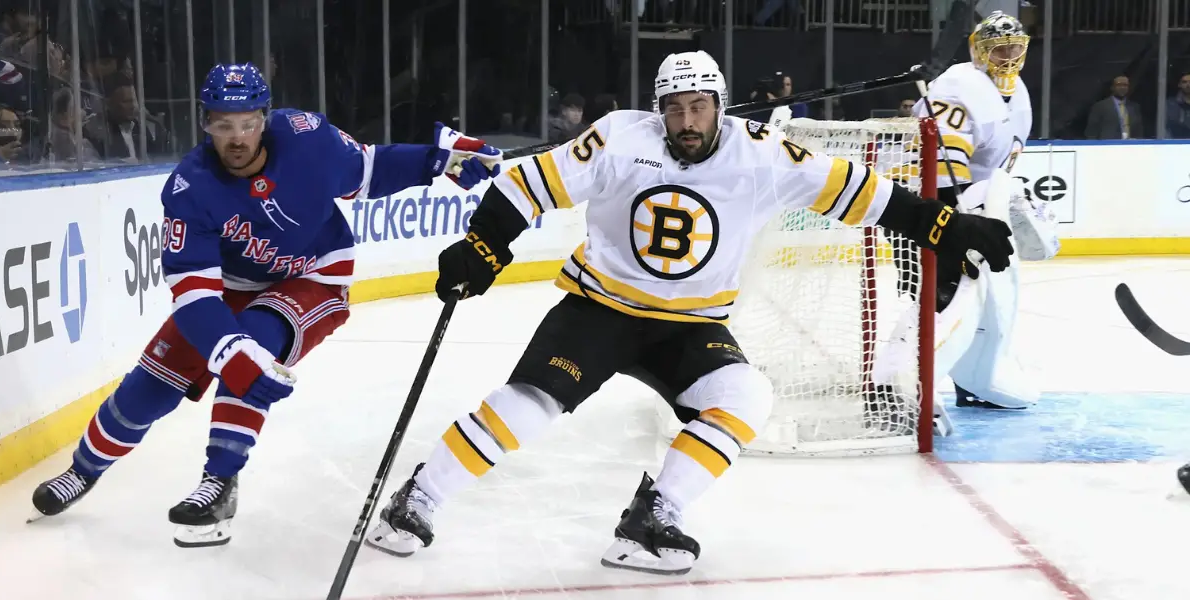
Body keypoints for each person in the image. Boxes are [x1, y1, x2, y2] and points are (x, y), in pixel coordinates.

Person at [363, 50, 1014, 575]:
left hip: (692, 325)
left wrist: (945, 224)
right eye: (674, 109)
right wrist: (483, 244)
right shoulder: (620, 139)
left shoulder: (763, 154)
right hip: (601, 309)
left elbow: (861, 194)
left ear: (719, 107)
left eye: (699, 106)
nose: (687, 121)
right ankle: (414, 501)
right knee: (532, 404)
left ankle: (652, 519)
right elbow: (526, 185)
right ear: (658, 112)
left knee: (746, 397)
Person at [28, 63, 502, 548]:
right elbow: (193, 293)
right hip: (230, 286)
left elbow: (371, 169)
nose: (237, 138)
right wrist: (224, 346)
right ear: (205, 123)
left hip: (312, 278)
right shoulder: (189, 189)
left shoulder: (309, 140)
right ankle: (82, 471)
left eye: (249, 123)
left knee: (253, 345)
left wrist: (438, 161)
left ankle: (219, 483)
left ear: (265, 117)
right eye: (223, 125)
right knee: (148, 387)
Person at [909, 11, 1058, 420]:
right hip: (928, 211)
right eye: (998, 50)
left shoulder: (1018, 92)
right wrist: (954, 225)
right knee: (942, 300)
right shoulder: (960, 85)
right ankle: (906, 388)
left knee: (985, 301)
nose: (1008, 57)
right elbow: (938, 176)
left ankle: (970, 383)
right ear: (979, 52)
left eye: (1015, 48)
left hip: (971, 211)